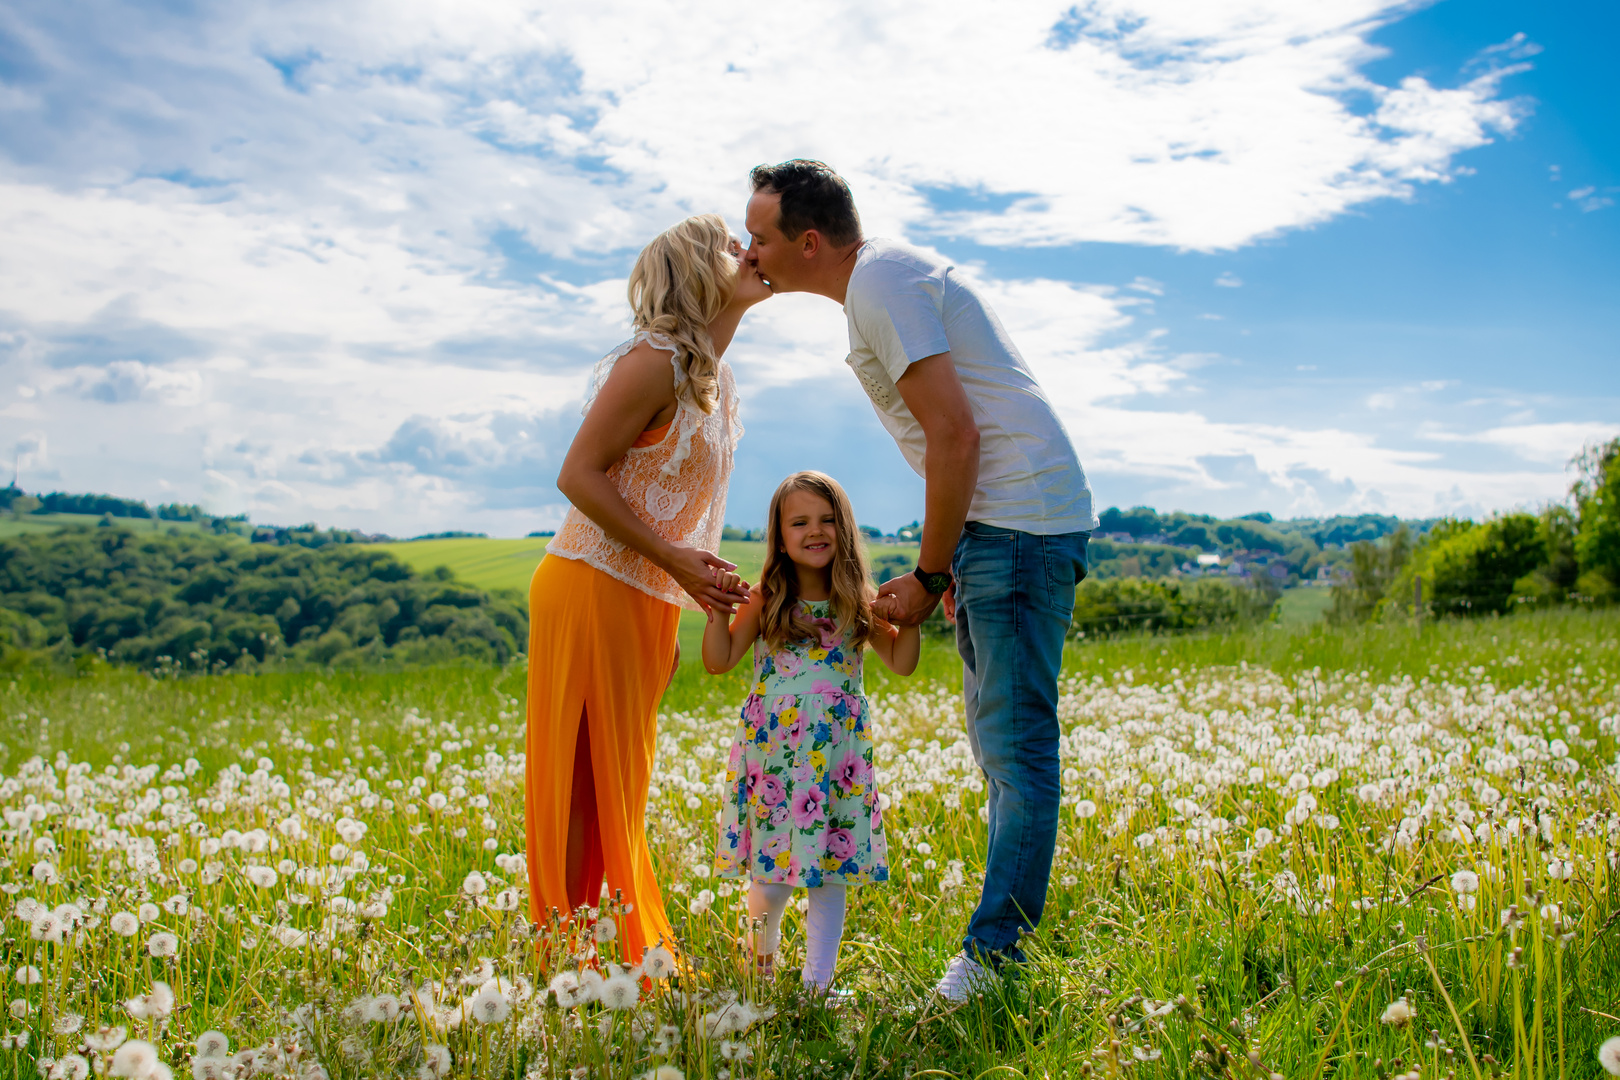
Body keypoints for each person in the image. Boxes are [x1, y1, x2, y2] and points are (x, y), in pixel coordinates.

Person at [742, 161, 1097, 1000]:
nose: (748, 248)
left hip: (1018, 527)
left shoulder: (881, 284)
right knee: (1000, 750)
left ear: (810, 241)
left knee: (1016, 753)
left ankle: (997, 958)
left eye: (760, 236)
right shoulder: (883, 280)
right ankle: (1003, 945)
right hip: (1004, 527)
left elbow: (955, 434)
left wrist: (932, 574)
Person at [524, 213, 769, 967]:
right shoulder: (654, 360)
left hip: (646, 598)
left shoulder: (718, 381)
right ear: (699, 270)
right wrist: (673, 557)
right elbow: (577, 473)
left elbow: (686, 509)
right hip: (590, 583)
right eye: (732, 245)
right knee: (581, 778)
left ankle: (602, 954)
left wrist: (690, 574)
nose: (749, 252)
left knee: (620, 780)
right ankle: (568, 961)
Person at [702, 470, 918, 991]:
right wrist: (715, 611)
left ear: (843, 530)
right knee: (770, 880)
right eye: (799, 522)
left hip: (836, 761)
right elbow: (720, 660)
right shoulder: (765, 597)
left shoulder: (858, 601)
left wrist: (910, 617)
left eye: (826, 520)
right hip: (774, 756)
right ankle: (761, 970)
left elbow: (903, 663)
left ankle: (818, 986)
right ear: (779, 535)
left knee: (830, 875)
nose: (814, 531)